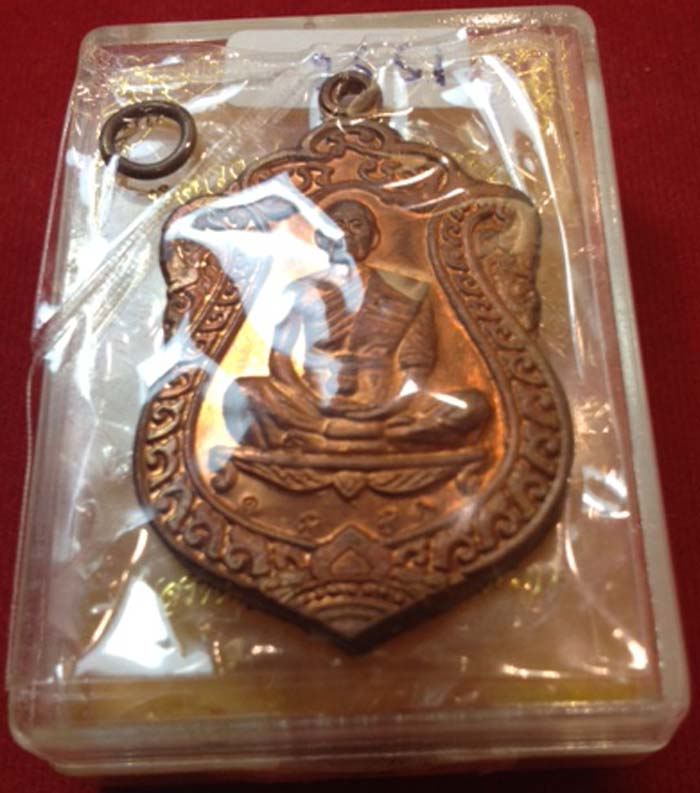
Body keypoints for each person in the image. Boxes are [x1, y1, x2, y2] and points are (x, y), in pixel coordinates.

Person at [224, 199, 490, 454]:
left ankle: (326, 439)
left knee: (472, 405)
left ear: (373, 239)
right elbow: (279, 360)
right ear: (322, 238)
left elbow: (417, 362)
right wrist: (309, 401)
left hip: (387, 401)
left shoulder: (408, 290)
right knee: (243, 393)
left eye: (356, 225)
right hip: (313, 403)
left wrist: (393, 405)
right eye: (337, 225)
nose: (346, 233)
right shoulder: (300, 291)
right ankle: (376, 439)